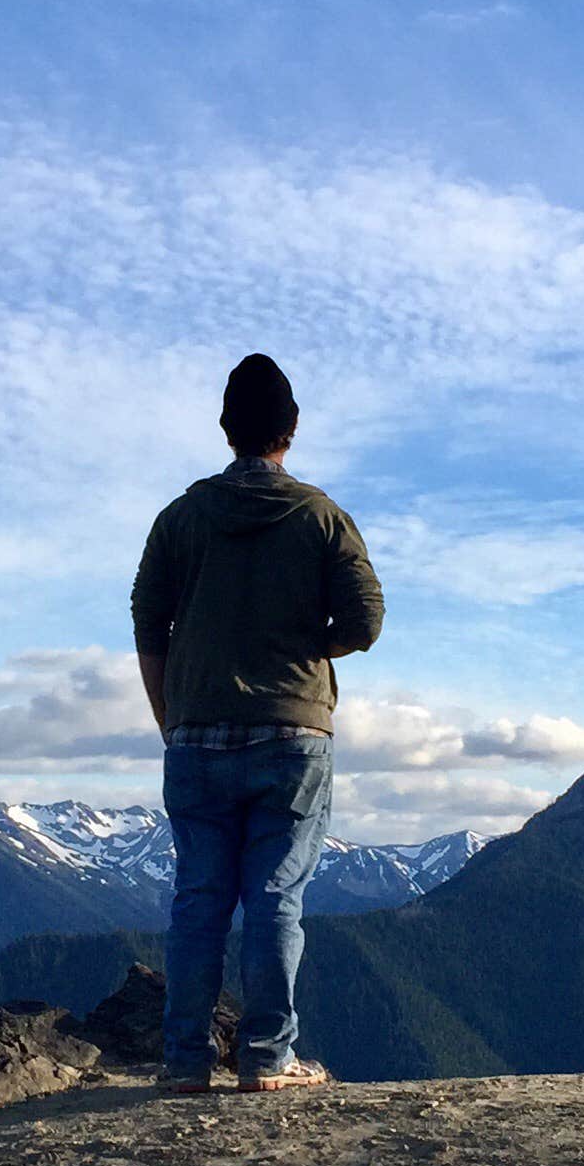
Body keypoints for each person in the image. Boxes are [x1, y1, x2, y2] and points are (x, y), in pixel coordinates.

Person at [130, 353, 385, 1093]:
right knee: (276, 893)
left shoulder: (179, 519)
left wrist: (169, 712)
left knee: (199, 895)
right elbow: (366, 619)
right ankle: (268, 1060)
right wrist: (314, 646)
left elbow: (148, 618)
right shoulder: (320, 518)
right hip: (293, 732)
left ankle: (184, 1063)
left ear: (225, 428)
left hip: (197, 730)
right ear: (292, 430)